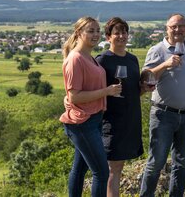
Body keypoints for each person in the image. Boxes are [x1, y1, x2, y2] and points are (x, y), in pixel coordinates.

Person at [59, 16, 122, 197]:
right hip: (82, 123)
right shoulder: (75, 59)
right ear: (79, 33)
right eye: (90, 31)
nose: (95, 35)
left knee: (79, 170)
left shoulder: (88, 56)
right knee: (101, 173)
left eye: (97, 31)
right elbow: (74, 96)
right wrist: (107, 91)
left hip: (93, 119)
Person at [140, 13, 185, 197]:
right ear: (167, 28)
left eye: (181, 26)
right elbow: (145, 78)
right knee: (156, 163)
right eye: (173, 26)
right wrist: (165, 64)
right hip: (163, 115)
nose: (177, 30)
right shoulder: (157, 50)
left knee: (181, 164)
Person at [96, 17, 149, 197]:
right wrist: (108, 92)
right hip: (112, 121)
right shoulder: (102, 60)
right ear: (108, 37)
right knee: (113, 168)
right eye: (116, 32)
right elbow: (96, 92)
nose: (121, 36)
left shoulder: (133, 59)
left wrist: (143, 89)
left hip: (130, 119)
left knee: (118, 167)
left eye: (124, 32)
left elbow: (132, 92)